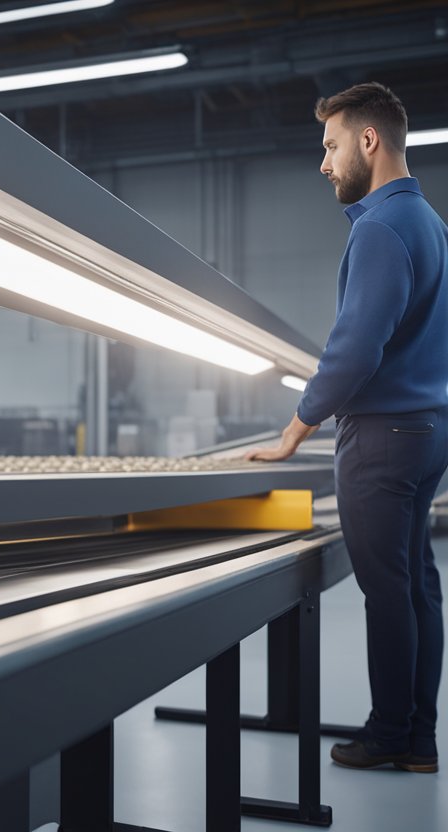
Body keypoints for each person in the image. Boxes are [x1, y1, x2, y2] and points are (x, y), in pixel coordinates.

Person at [245, 82, 448, 773]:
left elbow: (355, 347)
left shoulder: (381, 229)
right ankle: (418, 736)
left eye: (331, 146)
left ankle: (391, 735)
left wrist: (295, 429)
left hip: (384, 440)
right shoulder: (430, 223)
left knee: (388, 592)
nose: (324, 163)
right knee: (417, 584)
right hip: (427, 432)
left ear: (369, 141)